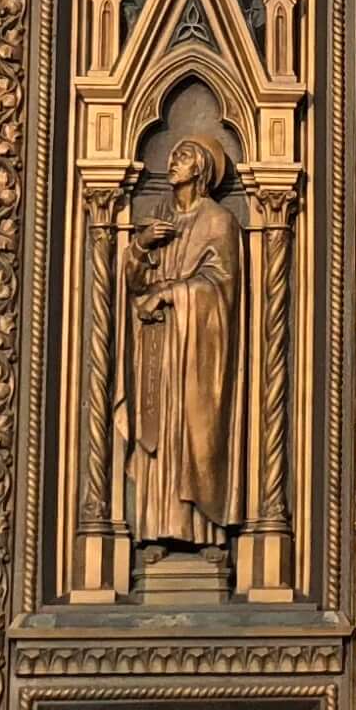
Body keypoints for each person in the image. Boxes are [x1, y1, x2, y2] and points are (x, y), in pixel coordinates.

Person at [126, 136, 241, 546]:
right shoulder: (159, 217)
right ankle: (155, 528)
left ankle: (202, 533)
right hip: (157, 343)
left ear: (203, 170)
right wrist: (141, 246)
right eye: (173, 154)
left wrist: (172, 293)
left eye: (185, 155)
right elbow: (133, 283)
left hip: (197, 347)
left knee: (190, 432)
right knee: (155, 435)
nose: (174, 160)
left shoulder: (218, 221)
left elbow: (220, 286)